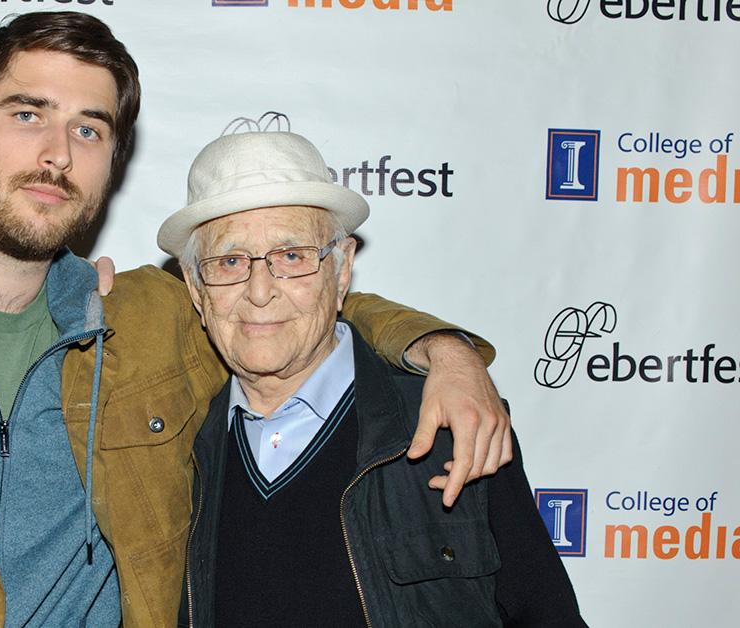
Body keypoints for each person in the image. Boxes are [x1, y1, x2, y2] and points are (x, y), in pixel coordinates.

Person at [0, 12, 513, 627]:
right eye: (26, 114)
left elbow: (288, 296)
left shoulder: (151, 316)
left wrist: (442, 350)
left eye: (89, 128)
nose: (57, 152)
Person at [166, 126, 586, 627]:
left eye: (292, 257)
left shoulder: (447, 425)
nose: (260, 290)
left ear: (341, 269)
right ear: (195, 286)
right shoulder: (175, 443)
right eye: (230, 261)